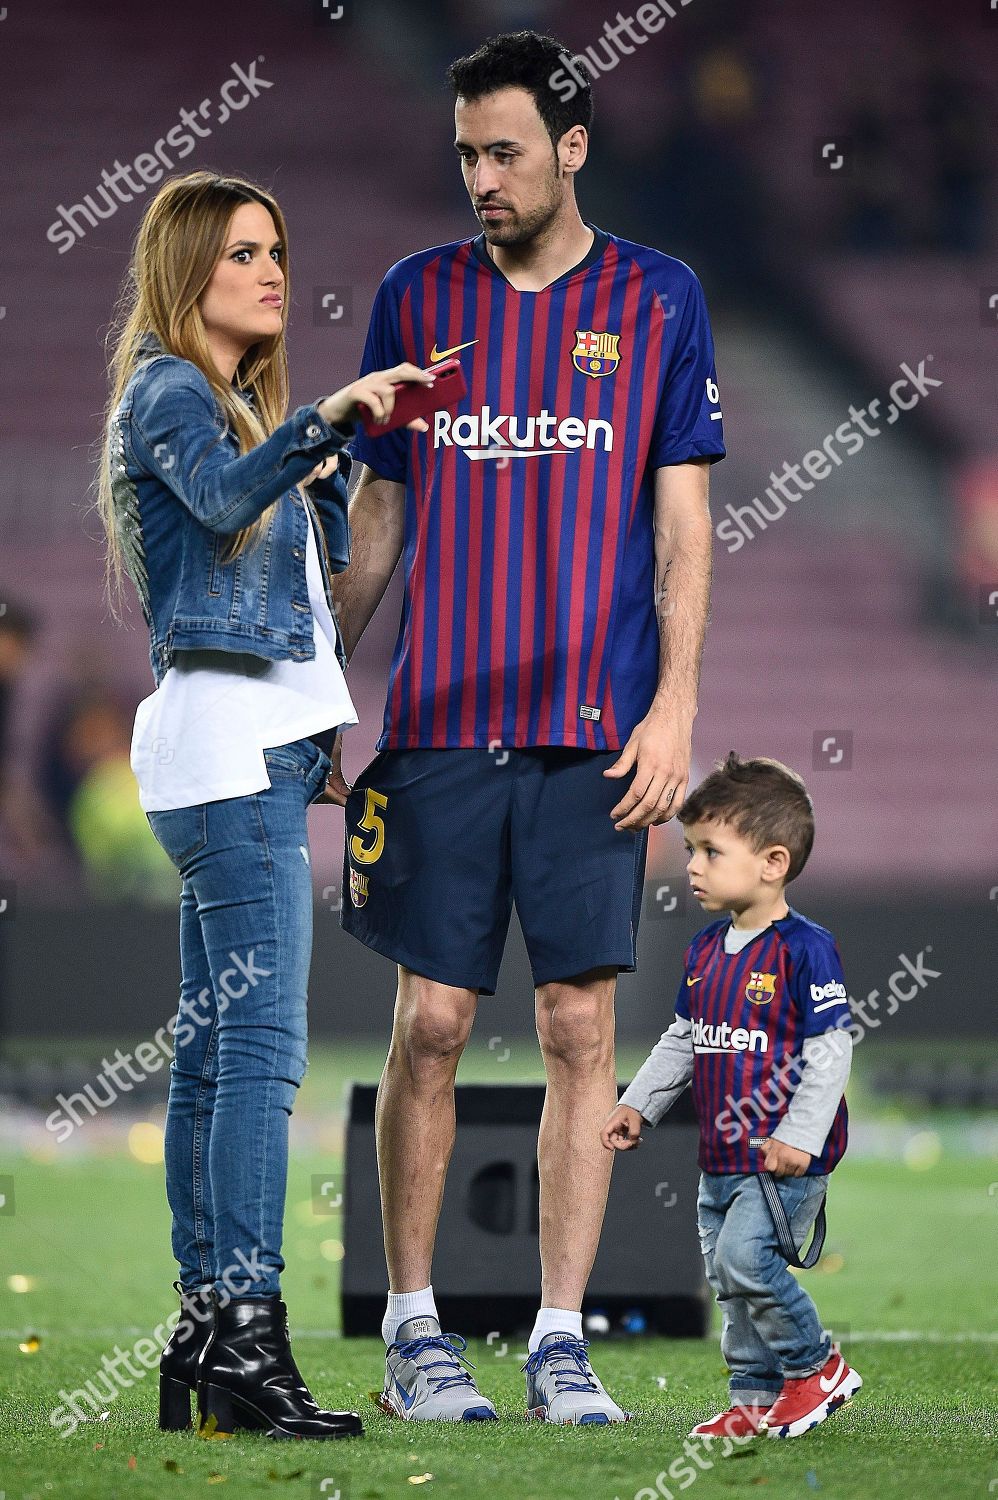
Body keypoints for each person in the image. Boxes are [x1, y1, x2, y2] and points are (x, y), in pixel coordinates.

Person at [325, 31, 725, 1423]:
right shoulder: (415, 297)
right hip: (439, 725)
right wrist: (322, 689)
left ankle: (560, 1340)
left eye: (503, 152)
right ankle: (412, 1334)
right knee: (431, 1022)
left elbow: (682, 528)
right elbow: (381, 509)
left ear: (571, 147)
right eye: (464, 156)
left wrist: (673, 708)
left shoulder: (659, 299)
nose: (480, 178)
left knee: (573, 1027)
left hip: (591, 733)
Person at [96, 168, 433, 1440]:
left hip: (252, 752)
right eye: (242, 252)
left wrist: (322, 729)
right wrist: (327, 419)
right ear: (187, 270)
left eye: (277, 248)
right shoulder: (172, 391)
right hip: (229, 757)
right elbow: (224, 503)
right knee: (260, 1057)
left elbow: (305, 597)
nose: (272, 271)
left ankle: (204, 1338)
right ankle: (245, 1332)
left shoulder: (233, 403)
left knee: (210, 1058)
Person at [603, 753, 863, 1440]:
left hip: (781, 1160)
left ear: (773, 863)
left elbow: (831, 1050)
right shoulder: (704, 951)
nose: (692, 866)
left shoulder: (806, 949)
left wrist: (800, 1136)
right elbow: (685, 1038)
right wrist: (639, 1103)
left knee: (747, 1261)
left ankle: (817, 1367)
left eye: (710, 851)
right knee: (727, 1277)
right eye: (692, 850)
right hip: (719, 1155)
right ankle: (752, 1400)